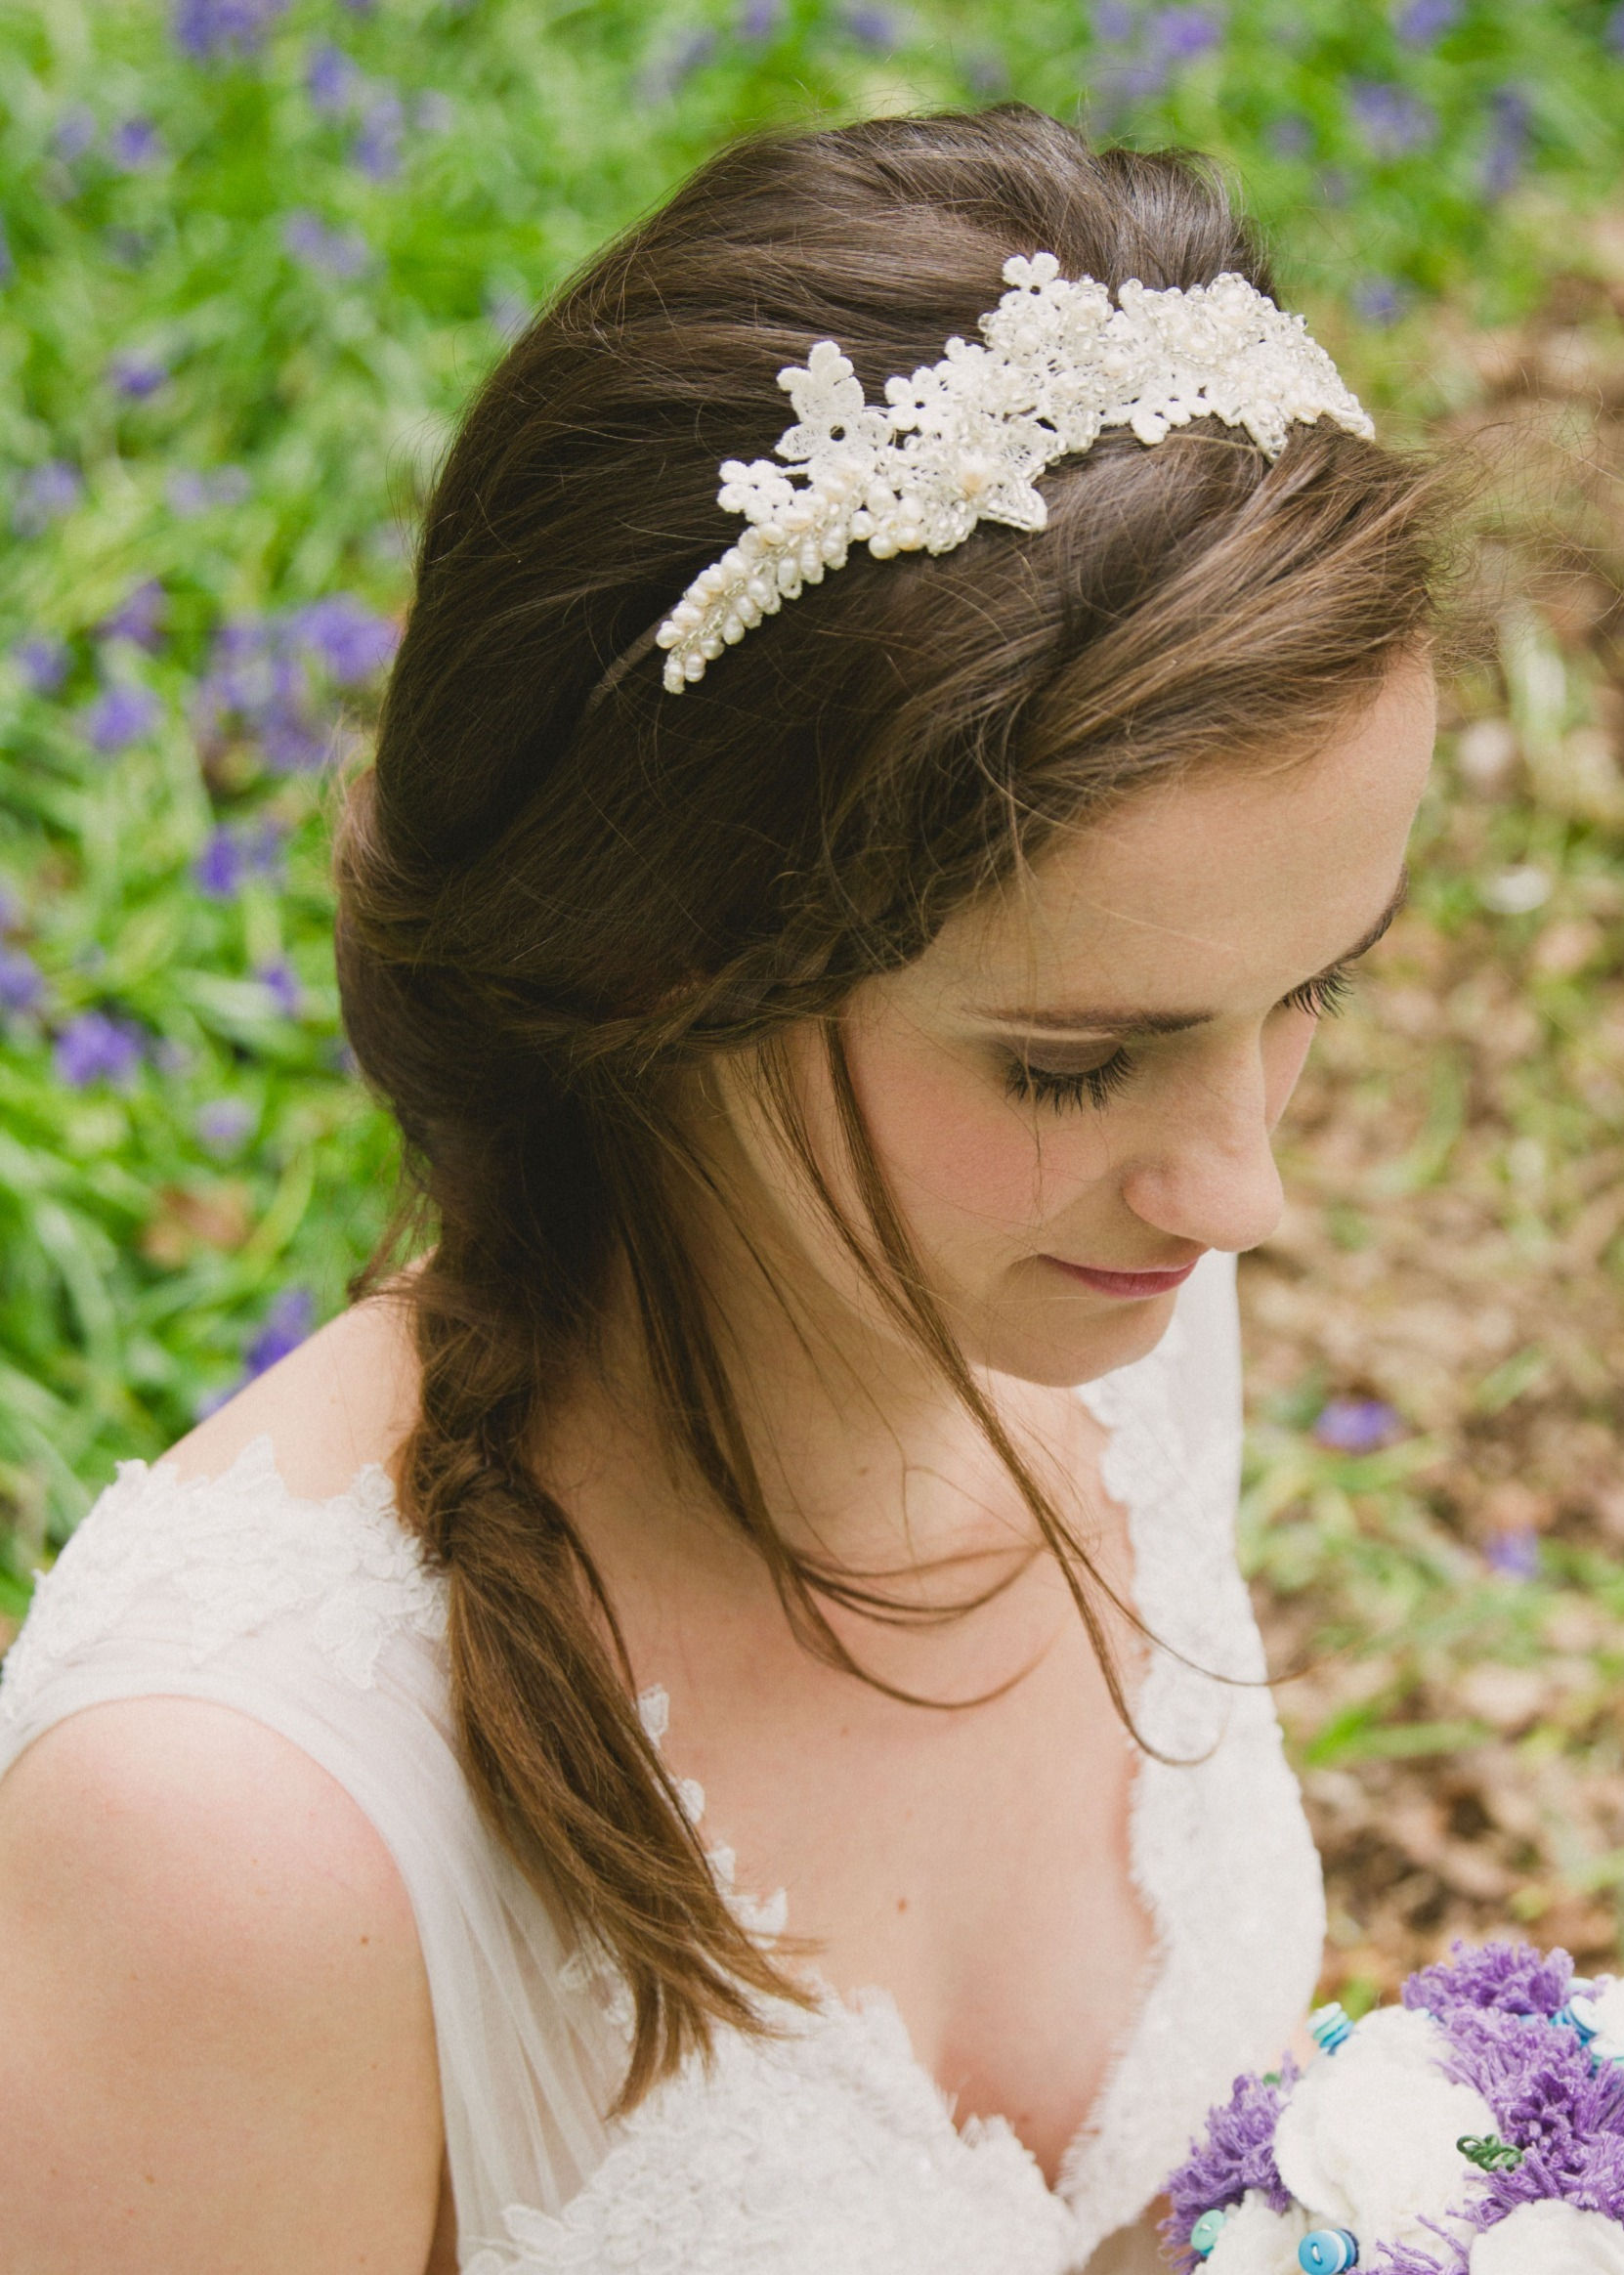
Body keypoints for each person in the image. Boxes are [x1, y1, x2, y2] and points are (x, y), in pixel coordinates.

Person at [0, 105, 1452, 2275]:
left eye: (1311, 988)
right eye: (1075, 1061)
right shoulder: (242, 1841)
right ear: (661, 964)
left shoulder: (1087, 1317)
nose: (1242, 1192)